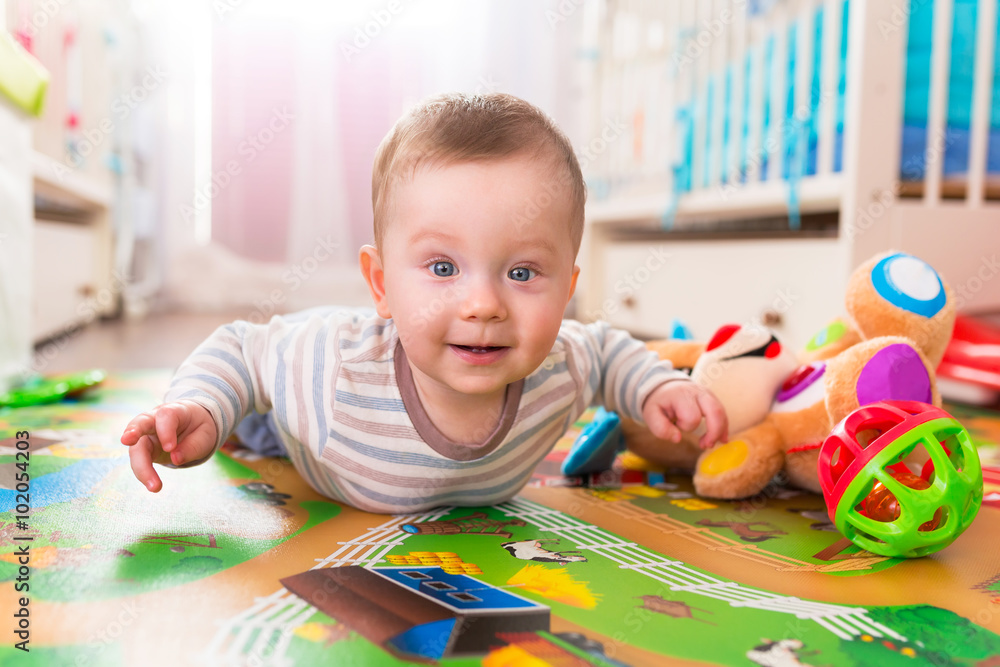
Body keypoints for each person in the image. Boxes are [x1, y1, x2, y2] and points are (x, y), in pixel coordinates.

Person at [120, 92, 728, 513]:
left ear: (568, 292)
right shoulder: (329, 371)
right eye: (443, 267)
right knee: (250, 415)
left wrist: (654, 390)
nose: (483, 304)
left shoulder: (562, 367)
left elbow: (609, 352)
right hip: (313, 428)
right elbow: (245, 349)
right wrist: (202, 406)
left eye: (521, 272)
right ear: (382, 284)